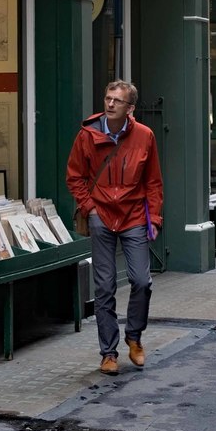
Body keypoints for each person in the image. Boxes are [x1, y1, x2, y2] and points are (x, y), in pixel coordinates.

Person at [66, 80, 163, 377]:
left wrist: (154, 218)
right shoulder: (87, 135)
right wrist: (90, 209)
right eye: (107, 98)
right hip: (102, 216)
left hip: (133, 215)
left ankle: (134, 336)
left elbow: (153, 182)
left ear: (130, 108)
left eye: (117, 101)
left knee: (141, 281)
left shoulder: (145, 136)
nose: (110, 104)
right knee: (105, 287)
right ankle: (108, 352)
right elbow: (75, 177)